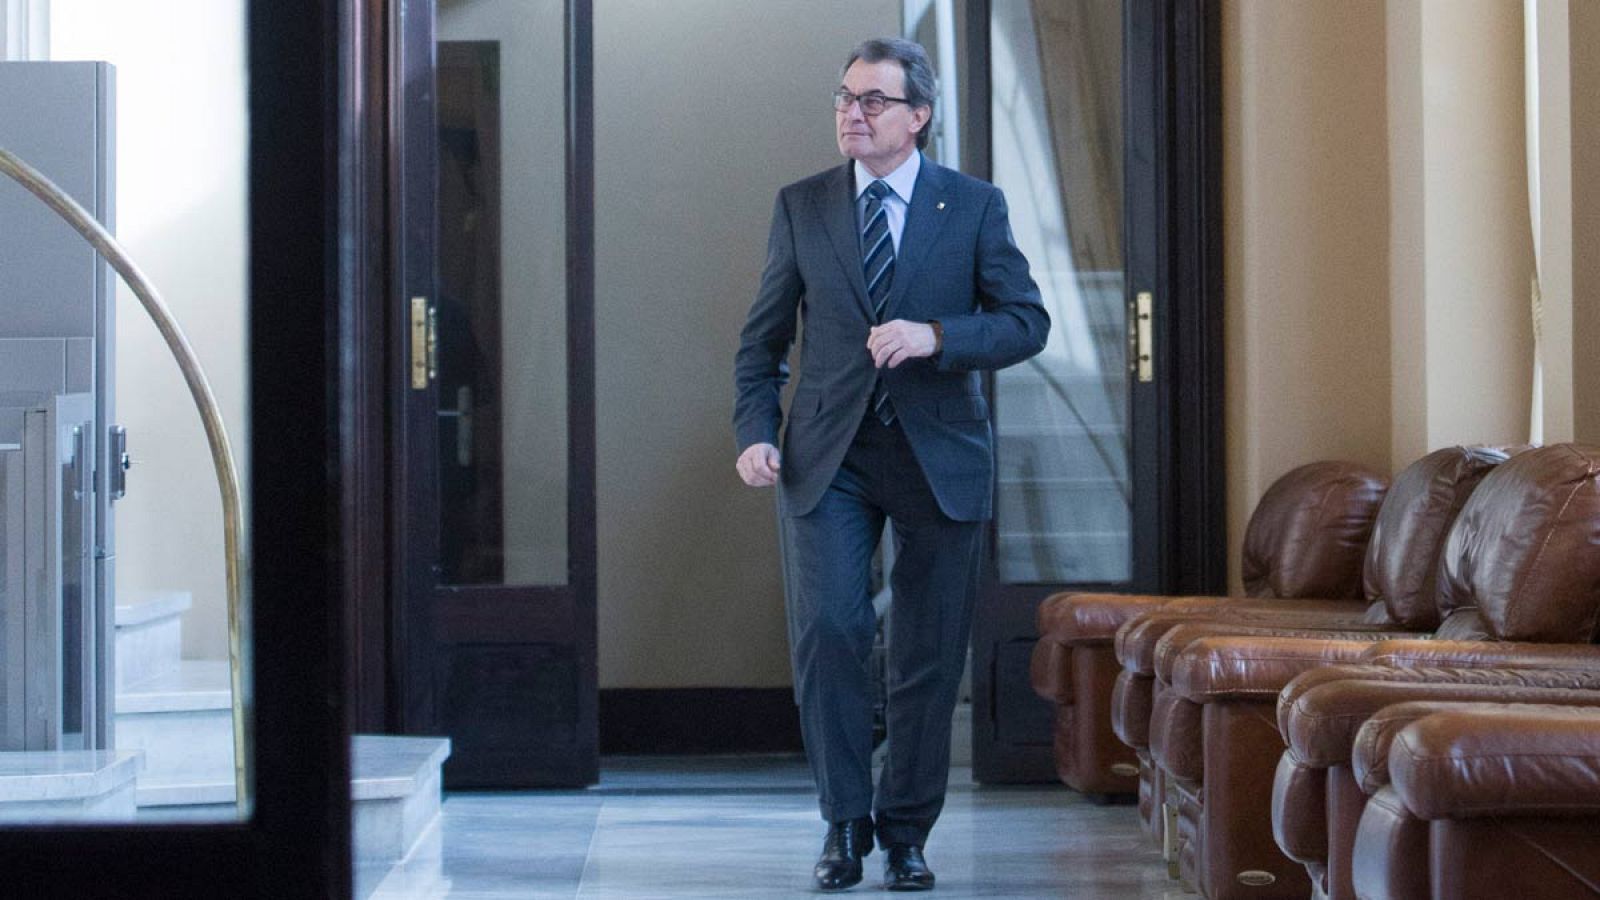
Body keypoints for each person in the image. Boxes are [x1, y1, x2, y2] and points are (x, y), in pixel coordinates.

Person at [732, 37, 1049, 893]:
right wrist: (755, 432)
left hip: (938, 455)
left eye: (874, 101)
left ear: (919, 117)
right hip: (827, 456)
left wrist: (937, 337)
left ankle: (907, 833)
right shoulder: (803, 205)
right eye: (844, 98)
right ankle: (843, 824)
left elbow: (1027, 322)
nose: (853, 114)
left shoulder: (973, 206)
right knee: (832, 634)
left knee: (924, 653)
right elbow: (761, 344)